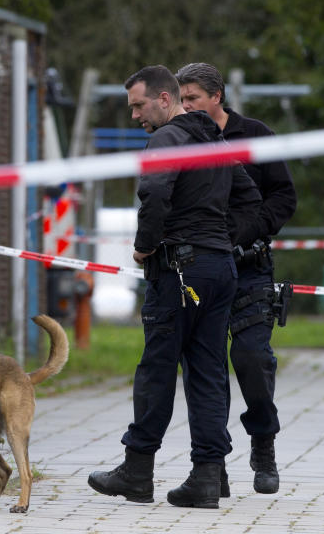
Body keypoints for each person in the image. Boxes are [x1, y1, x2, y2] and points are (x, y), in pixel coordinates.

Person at [87, 65, 261, 509]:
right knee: (207, 374)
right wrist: (220, 240)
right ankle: (207, 477)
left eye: (139, 105)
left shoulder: (168, 139)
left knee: (157, 370)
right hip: (220, 272)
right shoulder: (218, 143)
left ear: (166, 100)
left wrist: (145, 247)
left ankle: (137, 470)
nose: (134, 116)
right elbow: (250, 201)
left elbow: (155, 192)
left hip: (178, 273)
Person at [176, 62, 297, 495]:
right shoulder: (179, 139)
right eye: (181, 98)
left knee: (251, 358)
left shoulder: (256, 136)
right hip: (199, 271)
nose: (185, 106)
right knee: (203, 371)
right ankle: (213, 464)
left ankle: (263, 441)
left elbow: (284, 197)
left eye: (192, 98)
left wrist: (243, 231)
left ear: (216, 98)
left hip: (249, 268)